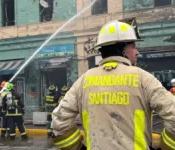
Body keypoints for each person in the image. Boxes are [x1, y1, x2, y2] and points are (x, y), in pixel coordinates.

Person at [51, 20, 175, 150]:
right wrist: (164, 148)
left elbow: (59, 123)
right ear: (121, 49)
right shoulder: (143, 78)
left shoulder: (83, 81)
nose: (137, 52)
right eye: (133, 46)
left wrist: (78, 148)